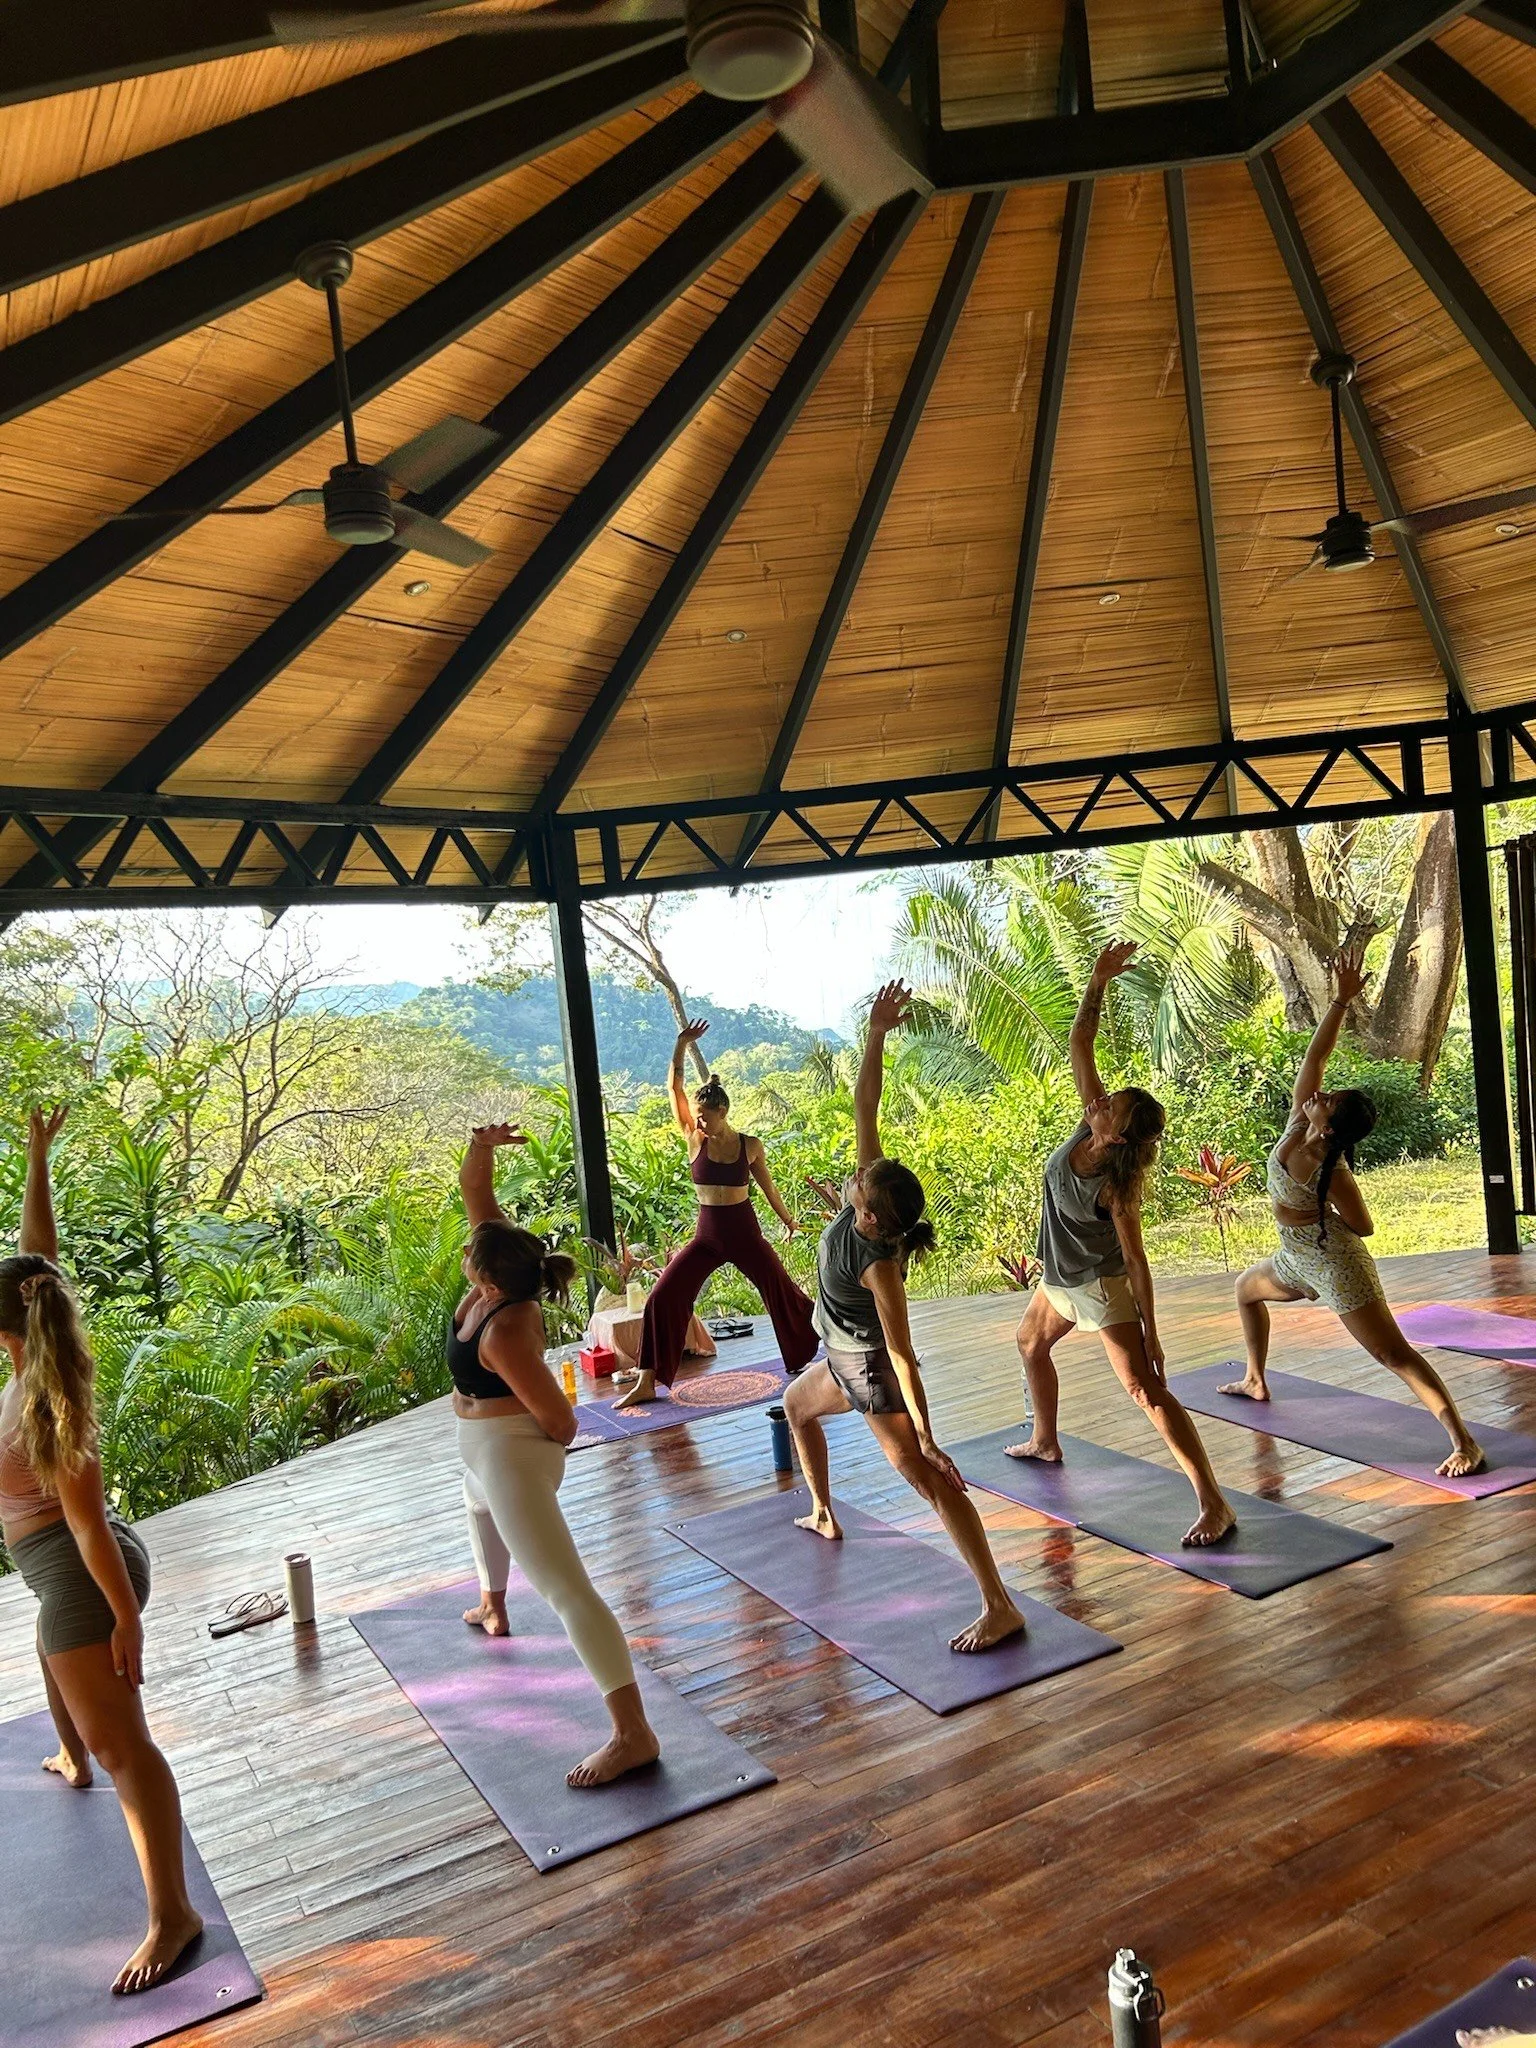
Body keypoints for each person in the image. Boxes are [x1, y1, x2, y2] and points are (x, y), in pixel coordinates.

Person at [0, 1106, 203, 1996]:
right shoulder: (27, 1351)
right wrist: (39, 1155)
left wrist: (127, 1620)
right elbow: (33, 1252)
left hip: (87, 1578)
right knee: (56, 1663)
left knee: (130, 1749)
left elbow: (85, 1527)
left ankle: (174, 1916)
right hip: (61, 1577)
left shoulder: (47, 1405)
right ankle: (73, 1752)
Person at [783, 984, 1027, 1654]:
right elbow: (867, 1102)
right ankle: (824, 1513)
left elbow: (901, 1353)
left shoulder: (879, 1263)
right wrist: (877, 1031)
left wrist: (927, 1434)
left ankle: (999, 1603)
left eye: (859, 1190)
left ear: (869, 1216)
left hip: (867, 1373)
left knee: (930, 1482)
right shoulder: (870, 1196)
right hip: (838, 1359)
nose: (853, 1181)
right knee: (794, 1409)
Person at [1220, 948, 1484, 1479]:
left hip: (1337, 1263)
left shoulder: (1331, 1170)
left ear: (1332, 1124)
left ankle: (1465, 1442)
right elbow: (1313, 1059)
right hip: (1294, 1257)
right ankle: (1255, 1378)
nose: (1319, 1093)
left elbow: (1364, 1226)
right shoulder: (1301, 1123)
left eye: (1328, 1098)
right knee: (1246, 1291)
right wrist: (1340, 1000)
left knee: (1393, 1355)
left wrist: (1324, 1229)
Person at [1007, 943, 1237, 1548]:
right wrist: (1097, 980)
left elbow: (1136, 1260)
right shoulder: (1090, 1122)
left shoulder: (1115, 1188)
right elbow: (1080, 1046)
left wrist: (1153, 1332)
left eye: (1113, 1105)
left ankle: (1214, 1502)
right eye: (1107, 1097)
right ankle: (1046, 1439)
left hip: (1103, 1287)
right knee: (1030, 1343)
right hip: (1060, 1280)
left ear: (1118, 1134)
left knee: (1143, 1390)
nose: (1101, 1100)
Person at [453, 1123, 660, 1787]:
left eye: (470, 1248)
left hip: (515, 1455)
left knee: (568, 1592)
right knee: (477, 1510)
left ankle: (633, 1734)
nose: (467, 1240)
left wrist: (528, 1457)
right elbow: (476, 1194)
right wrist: (482, 1148)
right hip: (484, 1455)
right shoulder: (501, 1268)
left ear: (483, 1273)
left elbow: (562, 1423)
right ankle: (493, 1604)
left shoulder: (508, 1325)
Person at [613, 1019, 818, 1410]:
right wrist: (680, 1046)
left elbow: (767, 1187)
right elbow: (673, 1087)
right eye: (698, 1116)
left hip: (745, 1233)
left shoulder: (750, 1145)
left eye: (707, 1116)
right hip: (707, 1237)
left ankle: (813, 1351)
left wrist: (788, 1219)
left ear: (723, 1111)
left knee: (782, 1292)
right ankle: (646, 1380)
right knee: (663, 1296)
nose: (700, 1122)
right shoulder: (693, 1138)